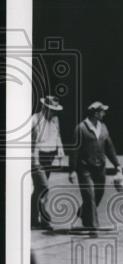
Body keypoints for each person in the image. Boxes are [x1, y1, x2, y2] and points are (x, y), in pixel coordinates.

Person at [68, 102, 122, 231]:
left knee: (99, 193)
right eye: (102, 111)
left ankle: (83, 214)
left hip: (100, 168)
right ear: (95, 113)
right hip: (85, 168)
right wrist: (72, 170)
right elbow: (74, 151)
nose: (104, 113)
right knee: (89, 195)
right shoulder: (81, 128)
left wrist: (117, 164)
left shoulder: (103, 127)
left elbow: (109, 147)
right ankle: (93, 226)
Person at [31, 96, 65, 230]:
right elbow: (32, 142)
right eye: (52, 109)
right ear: (45, 108)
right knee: (45, 187)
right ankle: (45, 219)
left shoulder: (55, 120)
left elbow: (58, 135)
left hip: (49, 157)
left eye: (55, 110)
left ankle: (33, 218)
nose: (54, 112)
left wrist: (60, 149)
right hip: (37, 156)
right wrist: (35, 160)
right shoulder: (35, 119)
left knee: (39, 189)